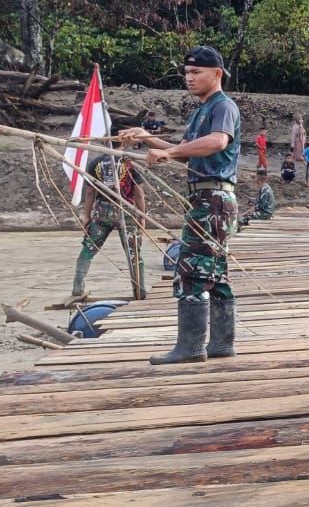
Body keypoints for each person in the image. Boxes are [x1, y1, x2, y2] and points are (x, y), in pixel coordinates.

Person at [118, 46, 241, 365]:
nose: (189, 78)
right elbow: (184, 150)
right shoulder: (201, 110)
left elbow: (217, 142)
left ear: (217, 74)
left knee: (192, 268)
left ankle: (190, 346)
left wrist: (168, 154)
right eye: (186, 73)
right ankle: (222, 344)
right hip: (208, 197)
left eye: (196, 72)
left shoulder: (222, 106)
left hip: (212, 198)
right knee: (216, 271)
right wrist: (147, 138)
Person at [71, 143, 148, 301]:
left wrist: (87, 215)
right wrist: (142, 216)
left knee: (89, 248)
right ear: (121, 143)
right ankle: (140, 290)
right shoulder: (129, 162)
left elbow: (90, 192)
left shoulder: (95, 163)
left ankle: (77, 287)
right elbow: (139, 193)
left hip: (102, 212)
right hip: (125, 212)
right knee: (133, 252)